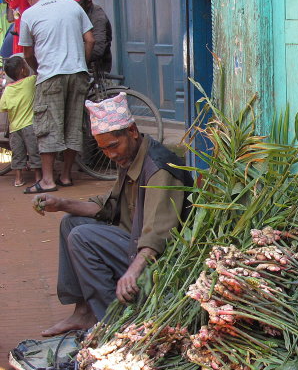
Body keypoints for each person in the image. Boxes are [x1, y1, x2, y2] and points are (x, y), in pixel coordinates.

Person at [32, 92, 193, 337]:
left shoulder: (159, 168)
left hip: (160, 260)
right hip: (131, 239)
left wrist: (132, 272)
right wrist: (61, 202)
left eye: (113, 146)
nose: (111, 155)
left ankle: (114, 322)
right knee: (70, 222)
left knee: (81, 236)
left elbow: (159, 235)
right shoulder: (130, 157)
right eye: (104, 149)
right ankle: (84, 312)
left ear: (132, 131)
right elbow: (108, 207)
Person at [18, 0, 94, 193]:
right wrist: (83, 63)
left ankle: (48, 181)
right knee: (73, 124)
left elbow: (27, 52)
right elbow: (90, 39)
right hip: (78, 73)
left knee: (48, 126)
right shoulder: (72, 5)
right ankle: (66, 176)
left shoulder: (29, 14)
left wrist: (38, 67)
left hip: (51, 76)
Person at [0, 54, 40, 186]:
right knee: (34, 150)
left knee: (17, 153)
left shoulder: (8, 89)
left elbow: (3, 107)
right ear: (23, 70)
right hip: (30, 125)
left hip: (14, 128)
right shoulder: (31, 81)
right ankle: (38, 177)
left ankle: (18, 178)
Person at [65, 0, 112, 73]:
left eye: (76, 4)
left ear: (88, 3)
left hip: (97, 68)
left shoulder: (98, 17)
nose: (71, 6)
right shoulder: (69, 13)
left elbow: (98, 49)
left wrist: (79, 62)